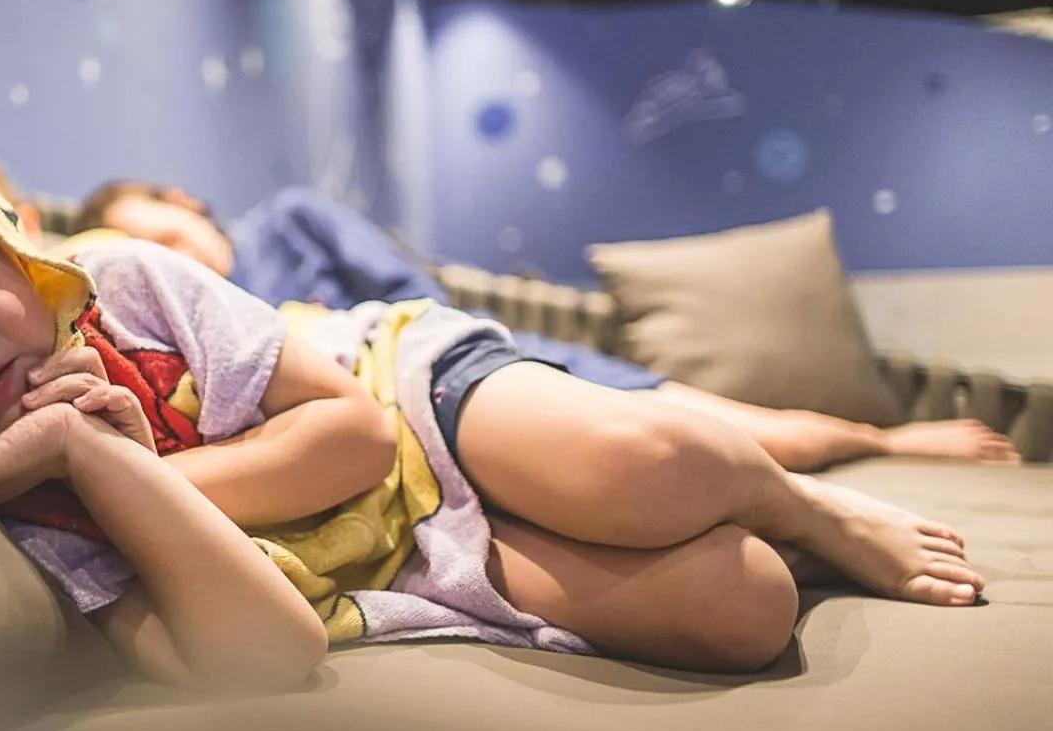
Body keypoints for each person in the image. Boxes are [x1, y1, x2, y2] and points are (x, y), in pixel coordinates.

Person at [0, 103, 986, 687]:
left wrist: (159, 478)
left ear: (13, 242)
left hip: (404, 389)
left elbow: (350, 435)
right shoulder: (22, 517)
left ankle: (800, 488)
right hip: (412, 561)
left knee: (645, 463)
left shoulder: (127, 283)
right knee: (742, 608)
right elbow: (269, 654)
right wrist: (86, 456)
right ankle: (768, 524)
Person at [76, 180, 1021, 472]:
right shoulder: (185, 323)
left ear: (184, 201)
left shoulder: (286, 220)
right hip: (400, 433)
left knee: (736, 426)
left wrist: (344, 325)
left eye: (165, 235)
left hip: (465, 361)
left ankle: (881, 437)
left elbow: (413, 287)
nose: (179, 264)